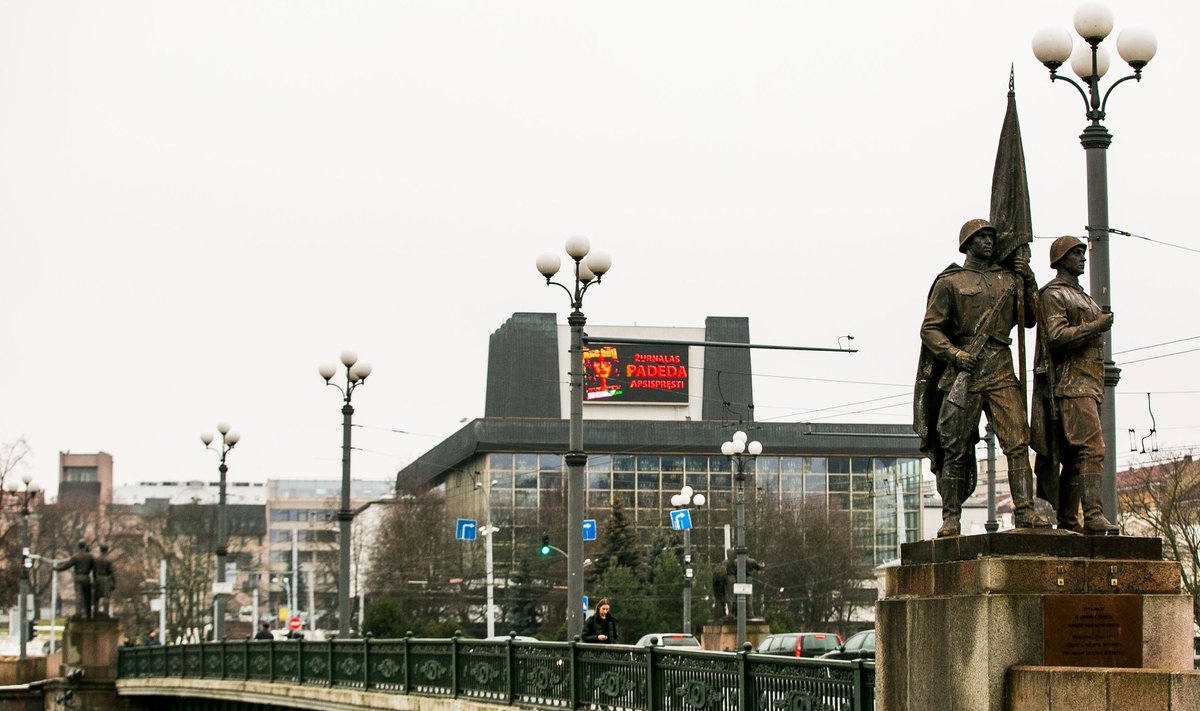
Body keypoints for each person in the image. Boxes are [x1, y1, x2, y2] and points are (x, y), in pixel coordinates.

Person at [915, 219, 1049, 537]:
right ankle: (951, 519)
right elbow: (929, 329)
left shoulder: (1009, 280)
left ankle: (1026, 511)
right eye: (981, 237)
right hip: (965, 372)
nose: (989, 242)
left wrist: (1027, 276)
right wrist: (956, 355)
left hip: (1001, 370)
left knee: (1017, 443)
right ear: (967, 243)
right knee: (955, 448)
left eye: (991, 237)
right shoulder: (951, 282)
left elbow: (1032, 318)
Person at [1030, 236, 1119, 534]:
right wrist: (1097, 325)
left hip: (1088, 383)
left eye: (1083, 252)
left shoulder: (1084, 297)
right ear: (1060, 259)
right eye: (1075, 253)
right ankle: (1093, 515)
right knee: (1092, 448)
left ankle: (1069, 519)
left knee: (1073, 457)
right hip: (1070, 385)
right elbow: (1055, 336)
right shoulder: (1054, 295)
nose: (1082, 257)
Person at [54, 541, 96, 619]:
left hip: (78, 577)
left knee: (78, 595)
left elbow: (67, 566)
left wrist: (57, 568)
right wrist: (95, 579)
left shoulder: (76, 557)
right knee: (87, 596)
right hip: (86, 576)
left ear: (78, 547)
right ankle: (88, 614)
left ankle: (78, 613)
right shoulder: (90, 556)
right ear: (85, 546)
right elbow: (95, 568)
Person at [92, 544, 116, 617]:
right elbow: (112, 572)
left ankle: (95, 612)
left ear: (100, 550)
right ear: (107, 550)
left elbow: (94, 571)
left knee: (96, 597)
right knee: (106, 596)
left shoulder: (96, 560)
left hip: (97, 578)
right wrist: (114, 582)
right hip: (106, 578)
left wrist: (95, 579)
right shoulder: (109, 560)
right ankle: (106, 613)